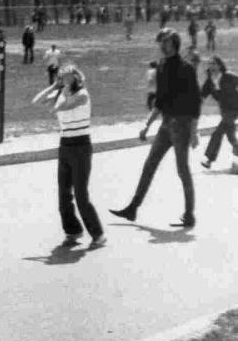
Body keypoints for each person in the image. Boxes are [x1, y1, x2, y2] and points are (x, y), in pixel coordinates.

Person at [111, 28, 201, 228]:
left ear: (175, 44)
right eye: (161, 42)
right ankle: (133, 208)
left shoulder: (186, 68)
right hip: (166, 124)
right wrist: (147, 125)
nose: (162, 45)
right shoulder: (161, 66)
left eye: (166, 42)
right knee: (149, 165)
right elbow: (160, 101)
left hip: (182, 124)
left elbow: (195, 102)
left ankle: (189, 215)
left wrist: (194, 132)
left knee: (182, 169)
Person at [32, 64, 106, 249]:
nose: (63, 78)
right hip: (65, 145)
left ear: (75, 77)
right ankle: (73, 230)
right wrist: (54, 87)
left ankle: (98, 234)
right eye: (61, 76)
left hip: (81, 145)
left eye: (66, 75)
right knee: (63, 194)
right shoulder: (60, 93)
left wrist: (58, 103)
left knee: (81, 195)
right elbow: (36, 101)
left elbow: (68, 105)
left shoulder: (83, 94)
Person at [199, 56, 238, 172]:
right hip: (225, 110)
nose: (211, 66)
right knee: (231, 136)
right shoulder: (210, 80)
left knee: (217, 133)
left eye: (214, 63)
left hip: (235, 108)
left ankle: (209, 160)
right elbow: (202, 96)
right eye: (209, 64)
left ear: (219, 65)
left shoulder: (229, 76)